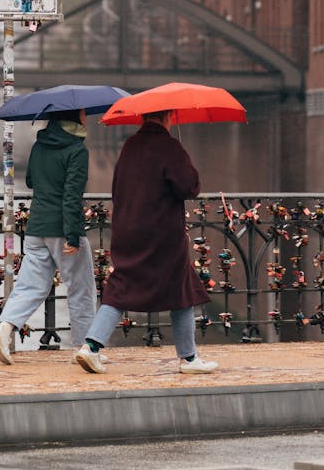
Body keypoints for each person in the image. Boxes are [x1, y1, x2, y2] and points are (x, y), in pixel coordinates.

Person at [75, 109, 218, 375]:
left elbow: (118, 187)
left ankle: (90, 347)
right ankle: (188, 359)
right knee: (181, 288)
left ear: (142, 118)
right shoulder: (170, 146)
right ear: (168, 117)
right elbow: (188, 187)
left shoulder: (130, 146)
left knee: (121, 286)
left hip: (128, 228)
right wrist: (186, 162)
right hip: (162, 232)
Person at [0, 108, 98, 364]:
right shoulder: (77, 150)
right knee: (81, 289)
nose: (85, 117)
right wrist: (72, 235)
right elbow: (72, 196)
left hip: (37, 226)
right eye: (82, 113)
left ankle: (5, 327)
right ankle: (85, 348)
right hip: (63, 228)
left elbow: (30, 181)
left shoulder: (40, 145)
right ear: (74, 118)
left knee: (31, 285)